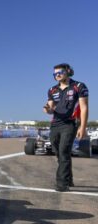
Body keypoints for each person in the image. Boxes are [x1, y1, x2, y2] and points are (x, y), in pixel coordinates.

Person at [43, 63, 89, 192]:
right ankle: (69, 178)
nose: (57, 75)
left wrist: (82, 127)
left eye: (60, 72)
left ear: (68, 71)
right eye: (55, 74)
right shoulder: (52, 89)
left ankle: (62, 184)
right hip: (55, 124)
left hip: (70, 123)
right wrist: (47, 109)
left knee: (63, 152)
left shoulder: (79, 86)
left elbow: (84, 107)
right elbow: (50, 109)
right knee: (59, 152)